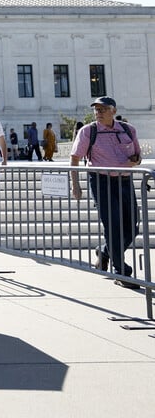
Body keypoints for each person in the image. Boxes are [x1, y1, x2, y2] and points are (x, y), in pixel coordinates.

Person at [70, 96, 142, 289]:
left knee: (132, 227)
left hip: (125, 180)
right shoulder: (88, 131)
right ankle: (120, 271)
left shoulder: (128, 130)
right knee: (113, 225)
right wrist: (75, 185)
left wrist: (134, 161)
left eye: (102, 109)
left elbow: (138, 156)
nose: (98, 113)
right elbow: (75, 157)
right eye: (96, 110)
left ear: (114, 111)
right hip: (101, 181)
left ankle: (104, 252)